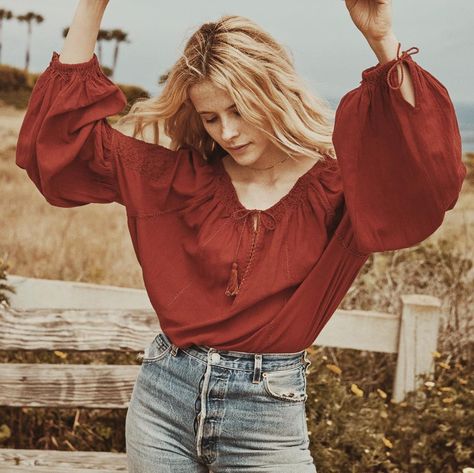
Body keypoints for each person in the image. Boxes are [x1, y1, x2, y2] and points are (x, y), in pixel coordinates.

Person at [15, 0, 466, 471]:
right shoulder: (178, 181)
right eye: (210, 117)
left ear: (271, 92)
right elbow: (60, 145)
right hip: (163, 402)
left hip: (266, 418)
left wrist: (381, 38)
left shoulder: (342, 190)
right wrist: (92, 4)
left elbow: (429, 172)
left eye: (239, 109)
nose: (227, 131)